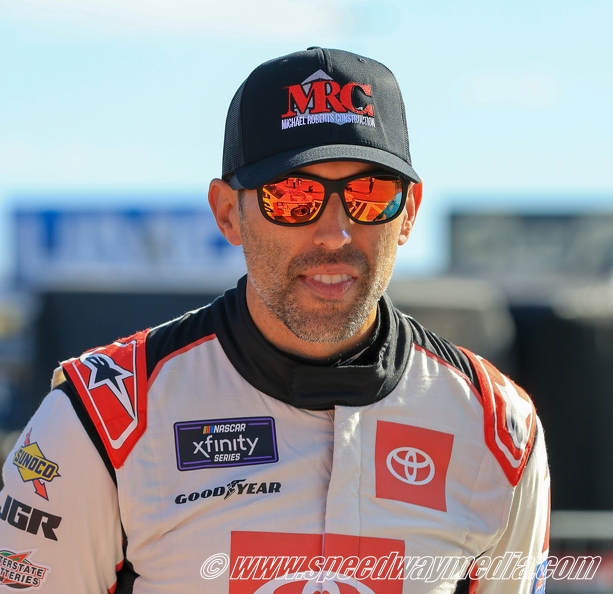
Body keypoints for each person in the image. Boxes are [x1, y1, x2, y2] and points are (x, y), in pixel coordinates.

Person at [0, 47, 549, 593]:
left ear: (407, 213)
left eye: (369, 195)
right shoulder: (103, 418)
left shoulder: (498, 427)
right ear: (227, 213)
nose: (335, 234)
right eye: (293, 196)